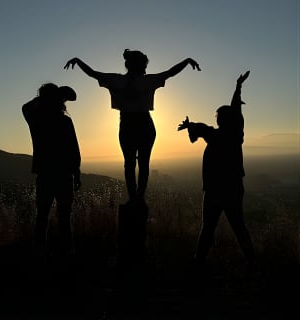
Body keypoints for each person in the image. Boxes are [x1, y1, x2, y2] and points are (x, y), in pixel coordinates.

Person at [64, 49, 201, 204]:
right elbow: (169, 73)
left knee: (129, 164)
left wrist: (78, 60)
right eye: (144, 65)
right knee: (143, 164)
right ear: (141, 65)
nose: (146, 69)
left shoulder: (116, 80)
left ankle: (134, 198)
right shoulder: (147, 80)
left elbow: (93, 73)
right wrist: (187, 61)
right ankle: (139, 198)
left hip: (128, 124)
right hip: (144, 124)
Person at [178, 71, 255, 267]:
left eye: (218, 115)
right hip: (232, 187)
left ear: (222, 119)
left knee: (209, 227)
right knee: (238, 226)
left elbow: (204, 126)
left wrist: (190, 126)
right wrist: (237, 87)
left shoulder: (216, 135)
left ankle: (198, 261)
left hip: (215, 190)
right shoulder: (235, 135)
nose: (217, 118)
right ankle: (253, 262)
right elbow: (235, 111)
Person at [22, 83, 81, 259]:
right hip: (64, 174)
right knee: (64, 216)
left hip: (45, 173)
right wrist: (76, 173)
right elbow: (74, 149)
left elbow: (25, 107)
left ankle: (40, 251)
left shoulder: (36, 120)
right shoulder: (64, 120)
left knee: (43, 215)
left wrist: (43, 97)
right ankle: (67, 251)